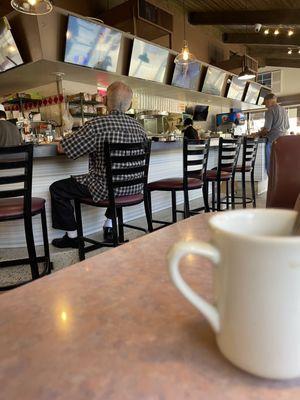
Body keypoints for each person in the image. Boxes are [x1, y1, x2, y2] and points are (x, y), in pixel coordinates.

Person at [50, 81, 147, 249]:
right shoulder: (140, 128)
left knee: (57, 189)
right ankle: (110, 226)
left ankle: (72, 236)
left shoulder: (97, 125)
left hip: (105, 188)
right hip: (134, 187)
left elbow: (61, 148)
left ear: (104, 101)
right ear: (130, 104)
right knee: (115, 180)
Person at [258, 93, 289, 173]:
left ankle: (271, 184)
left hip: (272, 141)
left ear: (269, 101)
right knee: (278, 164)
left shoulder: (270, 110)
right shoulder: (284, 110)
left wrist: (258, 134)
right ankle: (277, 183)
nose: (265, 106)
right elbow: (287, 126)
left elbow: (267, 129)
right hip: (283, 140)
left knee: (270, 165)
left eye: (265, 103)